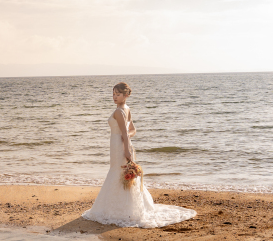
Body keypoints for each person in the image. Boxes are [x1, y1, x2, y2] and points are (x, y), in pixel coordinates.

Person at [82, 82, 196, 228]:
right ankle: (127, 207)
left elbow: (126, 132)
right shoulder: (126, 109)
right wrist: (127, 141)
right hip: (120, 144)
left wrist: (126, 147)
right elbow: (133, 131)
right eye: (113, 94)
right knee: (121, 173)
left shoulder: (119, 111)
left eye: (118, 94)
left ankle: (121, 210)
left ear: (126, 95)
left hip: (119, 146)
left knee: (118, 172)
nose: (114, 97)